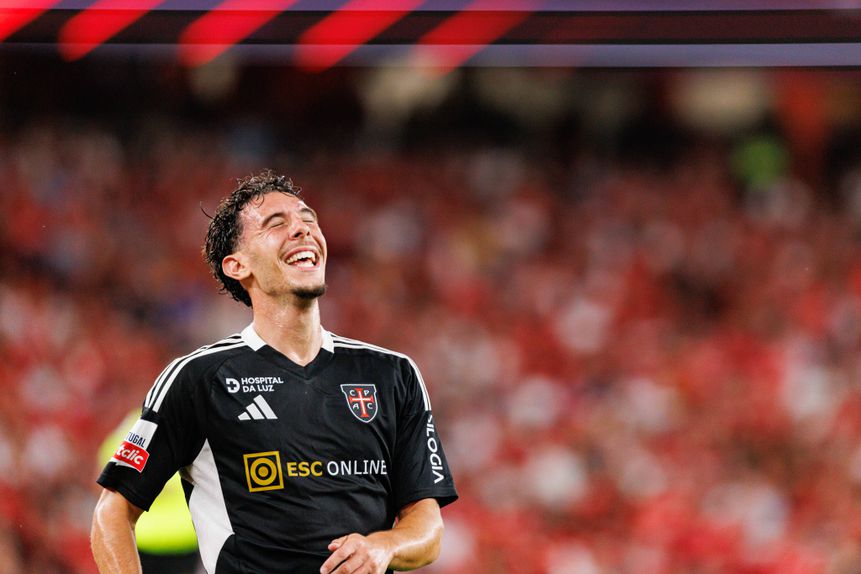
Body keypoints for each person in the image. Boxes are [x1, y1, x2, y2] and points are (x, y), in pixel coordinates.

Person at [91, 171, 458, 574]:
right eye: (276, 224)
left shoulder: (393, 375)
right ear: (238, 265)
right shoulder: (199, 379)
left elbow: (427, 528)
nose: (302, 229)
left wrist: (385, 545)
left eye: (308, 219)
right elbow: (113, 513)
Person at [97, 410, 202, 574]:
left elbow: (107, 475)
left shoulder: (132, 427)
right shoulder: (187, 427)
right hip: (183, 536)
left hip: (142, 536)